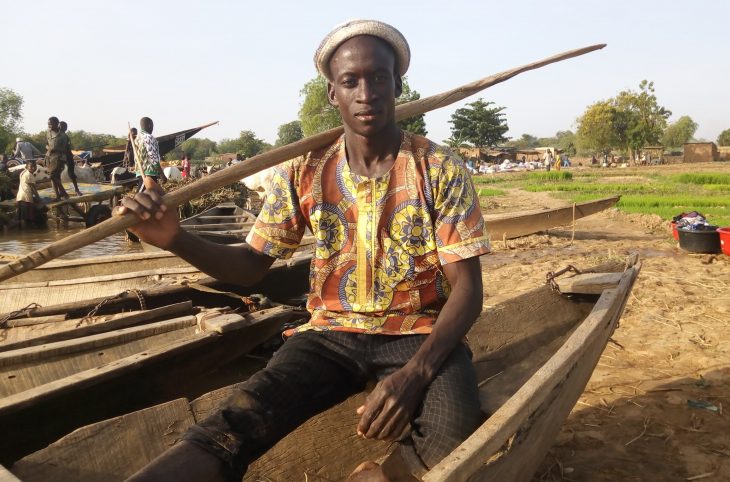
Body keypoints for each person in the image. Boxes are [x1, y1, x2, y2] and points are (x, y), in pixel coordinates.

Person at [119, 20, 489, 482]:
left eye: (378, 77)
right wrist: (175, 238)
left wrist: (416, 375)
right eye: (350, 81)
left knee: (455, 432)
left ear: (397, 84)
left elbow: (468, 290)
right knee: (234, 424)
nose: (366, 92)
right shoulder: (305, 171)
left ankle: (386, 471)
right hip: (329, 336)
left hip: (418, 332)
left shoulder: (438, 166)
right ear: (333, 93)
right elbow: (250, 266)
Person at [134, 117, 167, 192]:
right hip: (147, 173)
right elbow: (153, 157)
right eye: (152, 126)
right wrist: (162, 174)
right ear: (149, 125)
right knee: (139, 195)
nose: (153, 128)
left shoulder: (138, 137)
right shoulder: (148, 137)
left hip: (142, 170)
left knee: (151, 195)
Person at [45, 116, 70, 199]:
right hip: (49, 158)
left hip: (59, 158)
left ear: (57, 124)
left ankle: (64, 193)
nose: (49, 126)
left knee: (52, 176)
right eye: (48, 124)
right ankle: (58, 195)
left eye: (51, 124)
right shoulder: (48, 132)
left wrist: (54, 149)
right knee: (55, 177)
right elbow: (46, 144)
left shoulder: (63, 136)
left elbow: (65, 149)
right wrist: (48, 148)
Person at [59, 121, 83, 196]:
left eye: (61, 126)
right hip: (64, 156)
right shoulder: (62, 136)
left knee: (70, 173)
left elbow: (65, 147)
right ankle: (75, 190)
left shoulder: (63, 136)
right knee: (67, 173)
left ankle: (76, 189)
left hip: (65, 156)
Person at [15, 160, 42, 226]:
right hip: (27, 197)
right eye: (31, 166)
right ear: (27, 167)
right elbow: (33, 189)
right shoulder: (29, 175)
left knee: (21, 216)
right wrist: (39, 200)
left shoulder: (23, 172)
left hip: (20, 196)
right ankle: (29, 230)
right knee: (28, 215)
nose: (33, 168)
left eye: (34, 166)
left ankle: (22, 232)